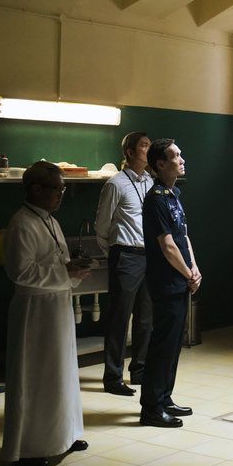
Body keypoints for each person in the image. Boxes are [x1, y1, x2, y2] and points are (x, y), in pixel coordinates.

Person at [1, 161, 89, 466]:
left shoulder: (49, 220)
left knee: (61, 372)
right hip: (35, 311)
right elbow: (20, 272)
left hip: (56, 305)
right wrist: (65, 272)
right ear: (36, 189)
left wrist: (72, 269)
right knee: (35, 377)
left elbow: (57, 260)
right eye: (57, 189)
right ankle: (30, 448)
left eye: (63, 189)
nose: (61, 195)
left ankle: (65, 434)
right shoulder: (22, 224)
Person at [140, 139, 200, 428]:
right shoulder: (155, 199)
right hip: (166, 281)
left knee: (174, 344)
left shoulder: (174, 194)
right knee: (162, 345)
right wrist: (188, 274)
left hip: (180, 279)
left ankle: (164, 398)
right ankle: (151, 408)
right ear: (160, 164)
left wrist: (194, 268)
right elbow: (167, 246)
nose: (182, 159)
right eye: (175, 156)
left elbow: (183, 237)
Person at [95, 131, 153, 396]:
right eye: (144, 146)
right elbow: (102, 226)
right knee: (119, 317)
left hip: (149, 255)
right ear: (129, 152)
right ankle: (113, 377)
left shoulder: (150, 182)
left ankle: (139, 371)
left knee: (145, 318)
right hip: (126, 254)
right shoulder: (116, 183)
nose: (148, 150)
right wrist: (115, 252)